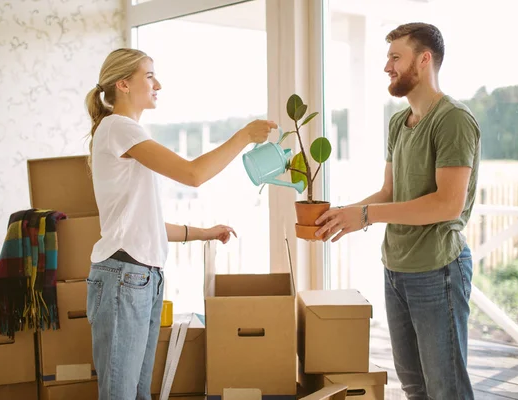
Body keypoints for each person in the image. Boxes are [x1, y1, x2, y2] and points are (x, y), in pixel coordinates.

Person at [84, 48, 277, 400]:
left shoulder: (125, 132)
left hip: (142, 277)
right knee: (120, 394)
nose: (158, 83)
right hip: (124, 277)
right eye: (149, 75)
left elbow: (144, 223)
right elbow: (193, 174)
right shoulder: (118, 128)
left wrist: (204, 233)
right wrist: (245, 136)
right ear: (123, 84)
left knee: (139, 393)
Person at [315, 23, 480, 399]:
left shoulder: (452, 119)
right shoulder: (398, 122)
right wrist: (345, 213)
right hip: (396, 270)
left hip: (438, 271)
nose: (386, 67)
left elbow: (447, 203)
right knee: (414, 387)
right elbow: (389, 192)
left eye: (395, 57)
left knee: (446, 389)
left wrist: (368, 215)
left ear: (424, 60)